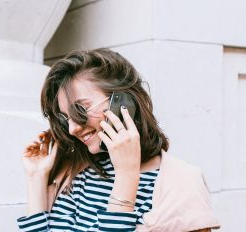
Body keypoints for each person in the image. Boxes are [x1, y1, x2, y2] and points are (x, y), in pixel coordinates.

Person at [17, 48, 220, 231]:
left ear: (124, 102)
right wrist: (36, 177)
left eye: (80, 109)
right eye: (65, 118)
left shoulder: (181, 185)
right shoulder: (76, 174)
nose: (72, 129)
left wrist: (126, 175)